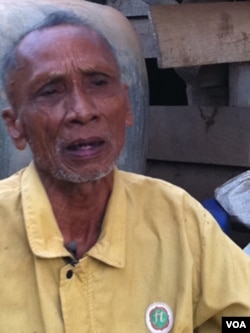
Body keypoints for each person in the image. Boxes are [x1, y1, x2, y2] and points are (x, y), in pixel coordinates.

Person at [0, 10, 249, 333]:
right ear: (16, 126)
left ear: (127, 106)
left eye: (98, 83)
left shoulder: (181, 221)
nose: (82, 111)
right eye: (51, 90)